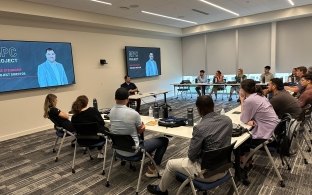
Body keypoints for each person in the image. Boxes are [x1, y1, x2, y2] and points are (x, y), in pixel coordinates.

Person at [147, 95, 232, 194]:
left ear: (198, 109)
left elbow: (191, 156)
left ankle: (160, 190)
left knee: (170, 164)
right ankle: (183, 176)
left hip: (206, 174)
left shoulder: (200, 127)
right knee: (184, 161)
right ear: (213, 105)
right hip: (223, 169)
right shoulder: (227, 120)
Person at [110, 87, 169, 177]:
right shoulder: (133, 113)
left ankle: (148, 155)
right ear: (128, 99)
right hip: (134, 151)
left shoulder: (111, 112)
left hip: (118, 150)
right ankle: (153, 170)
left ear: (115, 99)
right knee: (164, 140)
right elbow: (140, 130)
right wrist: (143, 127)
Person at [239, 79, 279, 167]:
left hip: (267, 134)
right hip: (275, 130)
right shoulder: (260, 96)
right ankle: (248, 161)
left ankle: (243, 163)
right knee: (247, 133)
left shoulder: (250, 100)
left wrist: (242, 99)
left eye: (240, 88)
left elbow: (243, 118)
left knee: (241, 140)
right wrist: (249, 120)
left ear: (244, 90)